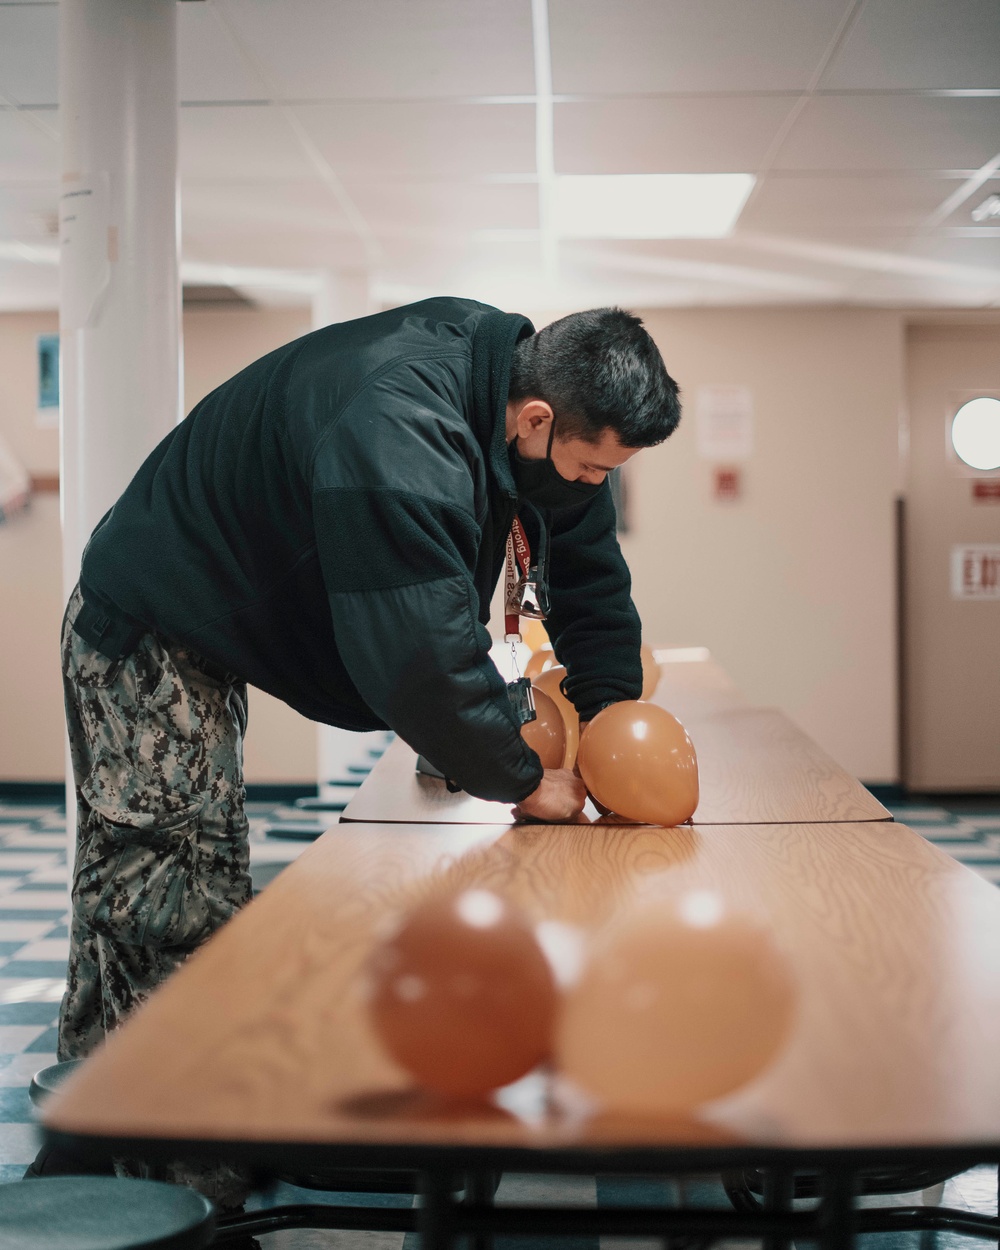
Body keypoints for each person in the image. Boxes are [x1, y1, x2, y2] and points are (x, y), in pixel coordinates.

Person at [46, 297, 681, 1203]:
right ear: (538, 419)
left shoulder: (537, 406)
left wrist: (611, 722)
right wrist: (514, 774)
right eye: (584, 467)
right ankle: (184, 1188)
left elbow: (589, 579)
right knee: (169, 895)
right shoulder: (398, 417)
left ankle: (90, 1141)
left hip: (207, 626)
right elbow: (415, 655)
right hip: (146, 624)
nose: (588, 487)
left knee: (156, 872)